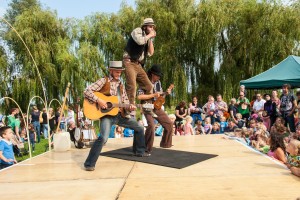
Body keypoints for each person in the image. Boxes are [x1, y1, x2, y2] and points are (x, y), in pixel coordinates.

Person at [83, 61, 148, 171]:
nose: (119, 73)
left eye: (120, 72)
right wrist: (99, 100)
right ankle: (89, 164)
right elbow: (87, 91)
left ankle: (139, 152)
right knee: (103, 138)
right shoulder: (104, 80)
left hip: (119, 115)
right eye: (117, 71)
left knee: (140, 127)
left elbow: (126, 101)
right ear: (111, 71)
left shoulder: (120, 85)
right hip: (107, 116)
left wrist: (130, 107)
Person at [137, 64, 173, 153]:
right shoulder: (144, 81)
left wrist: (166, 93)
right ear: (153, 74)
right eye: (158, 75)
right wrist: (153, 95)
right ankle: (146, 148)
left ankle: (165, 144)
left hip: (156, 106)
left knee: (169, 123)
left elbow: (160, 96)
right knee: (151, 126)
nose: (159, 77)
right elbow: (139, 97)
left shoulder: (158, 83)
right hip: (146, 105)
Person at [123, 18, 156, 107]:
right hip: (129, 62)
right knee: (132, 85)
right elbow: (140, 41)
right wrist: (149, 36)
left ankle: (146, 105)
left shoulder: (147, 38)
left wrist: (151, 40)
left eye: (153, 27)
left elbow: (151, 53)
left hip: (138, 64)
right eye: (150, 26)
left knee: (149, 86)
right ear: (145, 26)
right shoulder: (137, 31)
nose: (152, 28)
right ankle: (130, 105)